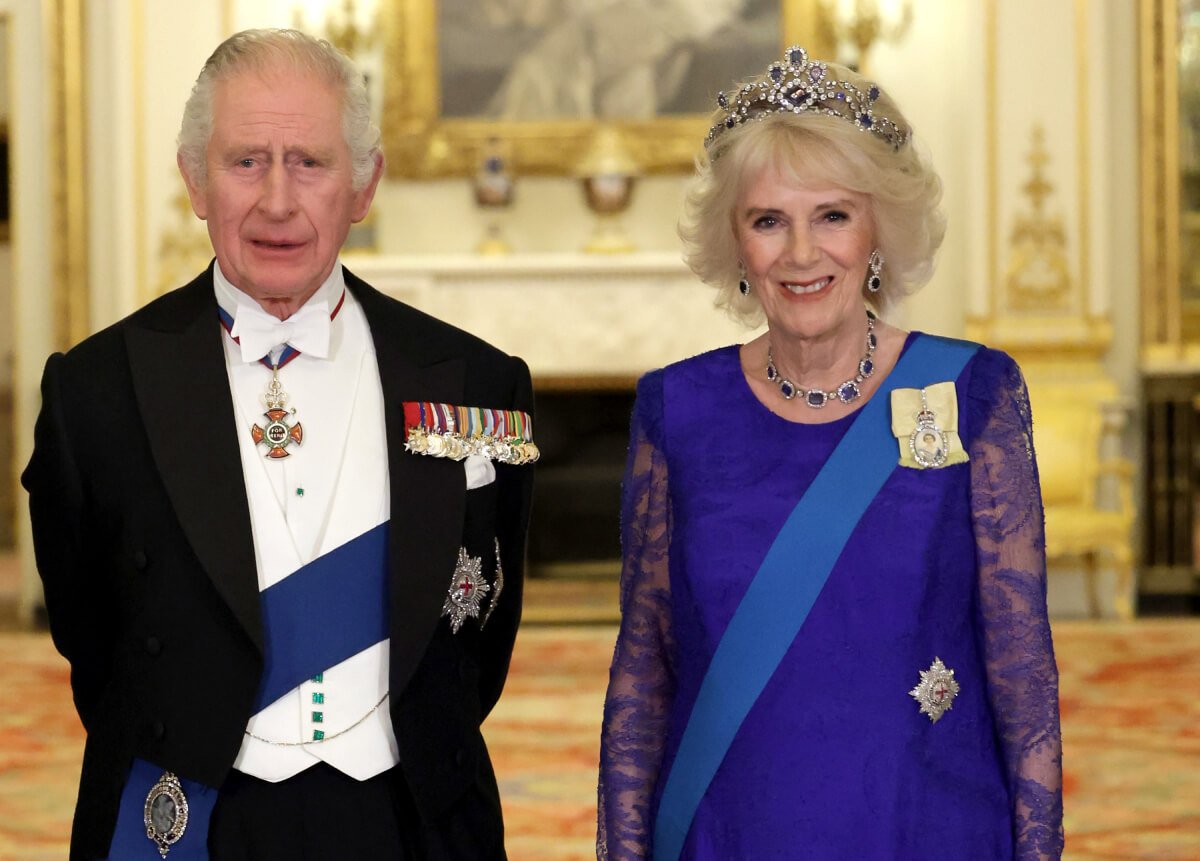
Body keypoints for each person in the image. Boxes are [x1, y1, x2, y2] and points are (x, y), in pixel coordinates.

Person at [23, 29, 536, 861]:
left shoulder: (474, 382)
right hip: (190, 820)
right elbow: (94, 638)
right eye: (245, 161)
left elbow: (481, 638)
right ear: (194, 179)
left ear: (363, 184)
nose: (277, 199)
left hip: (406, 821)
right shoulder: (96, 393)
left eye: (309, 162)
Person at [597, 47, 1063, 860]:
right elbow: (644, 667)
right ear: (736, 242)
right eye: (769, 220)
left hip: (924, 825)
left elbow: (1024, 678)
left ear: (879, 226)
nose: (802, 253)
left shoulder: (974, 393)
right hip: (728, 828)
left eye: (833, 215)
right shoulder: (677, 410)